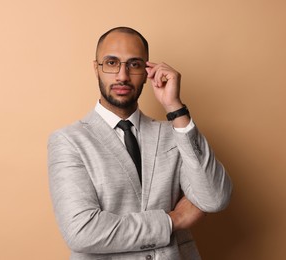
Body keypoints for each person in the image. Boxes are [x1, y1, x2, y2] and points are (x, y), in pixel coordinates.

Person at [48, 26, 232, 260]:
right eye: (111, 63)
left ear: (147, 71)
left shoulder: (174, 133)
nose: (122, 76)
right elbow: (82, 231)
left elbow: (215, 198)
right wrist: (173, 219)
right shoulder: (68, 141)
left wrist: (175, 107)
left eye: (134, 64)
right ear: (96, 68)